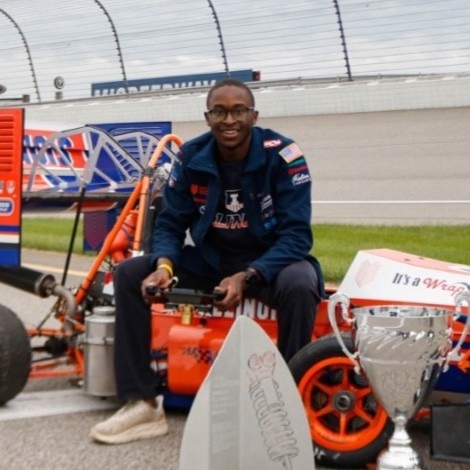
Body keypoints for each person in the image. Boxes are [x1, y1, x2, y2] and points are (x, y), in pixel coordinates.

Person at [90, 78, 325, 444]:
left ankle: (286, 405)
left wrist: (247, 276)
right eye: (219, 111)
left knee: (300, 284)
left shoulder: (284, 155)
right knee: (129, 273)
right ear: (207, 117)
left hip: (270, 263)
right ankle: (142, 403)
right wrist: (164, 266)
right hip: (212, 259)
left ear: (254, 115)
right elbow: (170, 222)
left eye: (238, 111)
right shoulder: (190, 157)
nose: (228, 119)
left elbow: (297, 235)